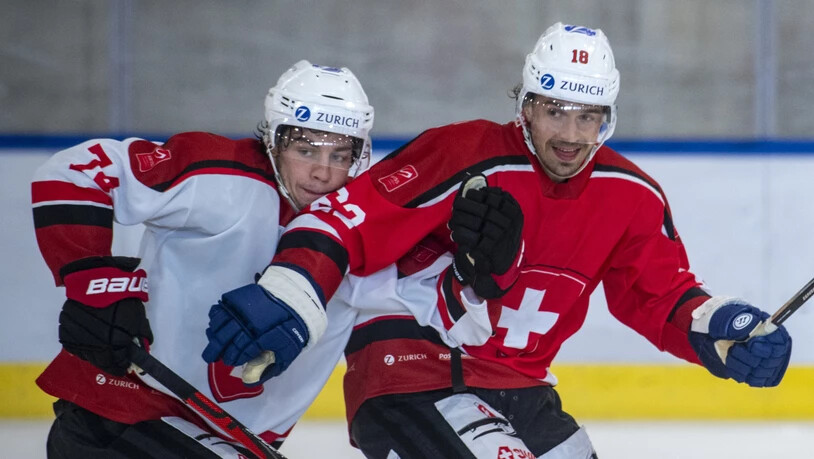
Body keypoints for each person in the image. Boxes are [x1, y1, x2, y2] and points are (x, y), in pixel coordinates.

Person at [203, 22, 794, 459]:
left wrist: (723, 329)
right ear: (525, 106)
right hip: (413, 370)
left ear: (607, 118)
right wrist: (287, 290)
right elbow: (343, 221)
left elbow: (660, 295)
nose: (568, 134)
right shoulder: (464, 153)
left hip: (522, 387)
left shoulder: (631, 194)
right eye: (554, 111)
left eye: (587, 116)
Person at [31, 60, 374, 458]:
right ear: (274, 143)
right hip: (122, 412)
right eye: (305, 149)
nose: (322, 174)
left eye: (339, 155)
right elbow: (76, 171)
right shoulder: (220, 173)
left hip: (225, 439)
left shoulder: (367, 226)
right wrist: (94, 280)